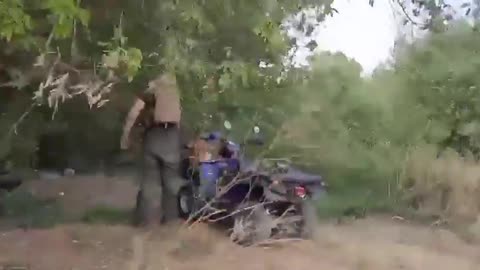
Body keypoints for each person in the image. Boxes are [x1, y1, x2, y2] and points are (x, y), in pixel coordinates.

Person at [120, 72, 184, 227]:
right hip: (172, 136)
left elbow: (134, 111)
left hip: (154, 135)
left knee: (150, 183)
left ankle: (146, 222)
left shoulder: (153, 86)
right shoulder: (179, 86)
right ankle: (171, 222)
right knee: (172, 184)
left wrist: (126, 135)